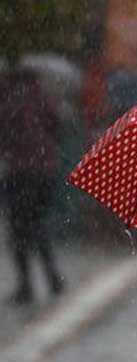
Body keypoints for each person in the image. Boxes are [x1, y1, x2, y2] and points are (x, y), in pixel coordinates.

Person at [0, 67, 64, 305]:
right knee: (37, 224)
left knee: (18, 229)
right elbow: (57, 126)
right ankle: (52, 276)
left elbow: (5, 135)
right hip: (46, 170)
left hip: (20, 172)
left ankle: (26, 285)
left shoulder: (9, 101)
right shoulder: (43, 96)